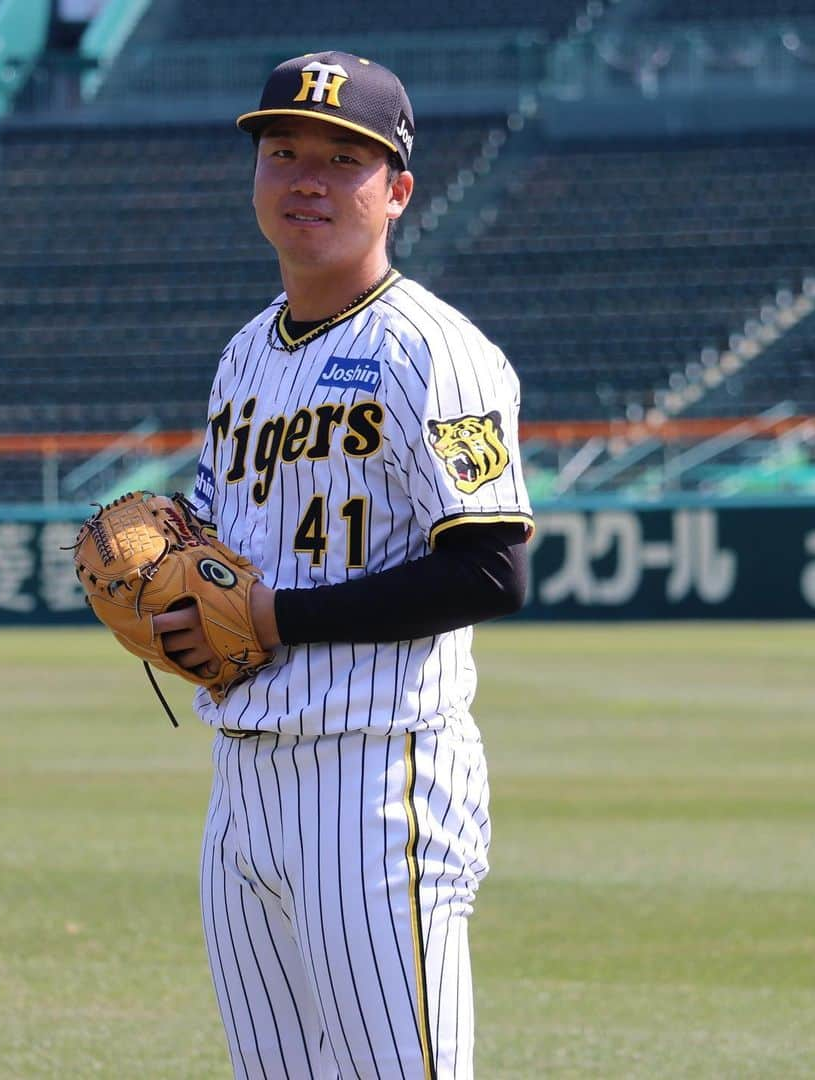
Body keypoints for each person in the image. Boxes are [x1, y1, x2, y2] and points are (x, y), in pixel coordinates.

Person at [152, 51, 533, 1079]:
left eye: (342, 159)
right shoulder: (246, 353)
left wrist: (272, 617)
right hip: (244, 779)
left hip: (378, 775)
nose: (307, 178)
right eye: (284, 153)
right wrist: (171, 598)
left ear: (398, 191)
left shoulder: (438, 354)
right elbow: (210, 539)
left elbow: (491, 570)